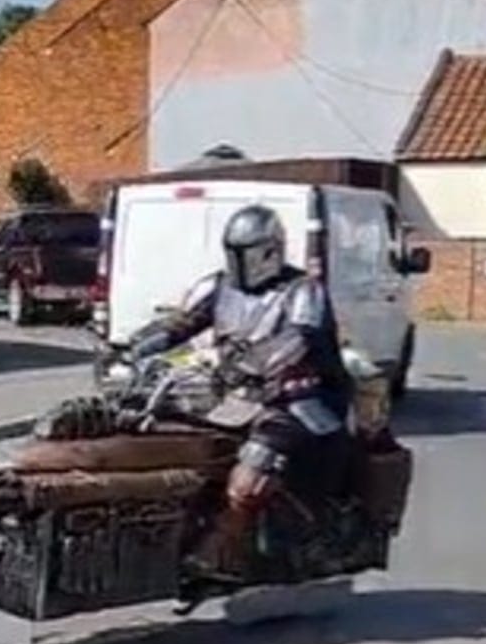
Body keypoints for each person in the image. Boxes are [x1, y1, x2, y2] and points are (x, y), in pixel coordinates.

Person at [46, 204, 353, 578]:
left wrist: (247, 363)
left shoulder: (302, 292)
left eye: (248, 253)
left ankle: (225, 552)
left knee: (248, 480)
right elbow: (181, 324)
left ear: (271, 250)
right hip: (232, 396)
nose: (239, 262)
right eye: (233, 253)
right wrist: (133, 347)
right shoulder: (220, 286)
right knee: (169, 438)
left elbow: (299, 340)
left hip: (295, 401)